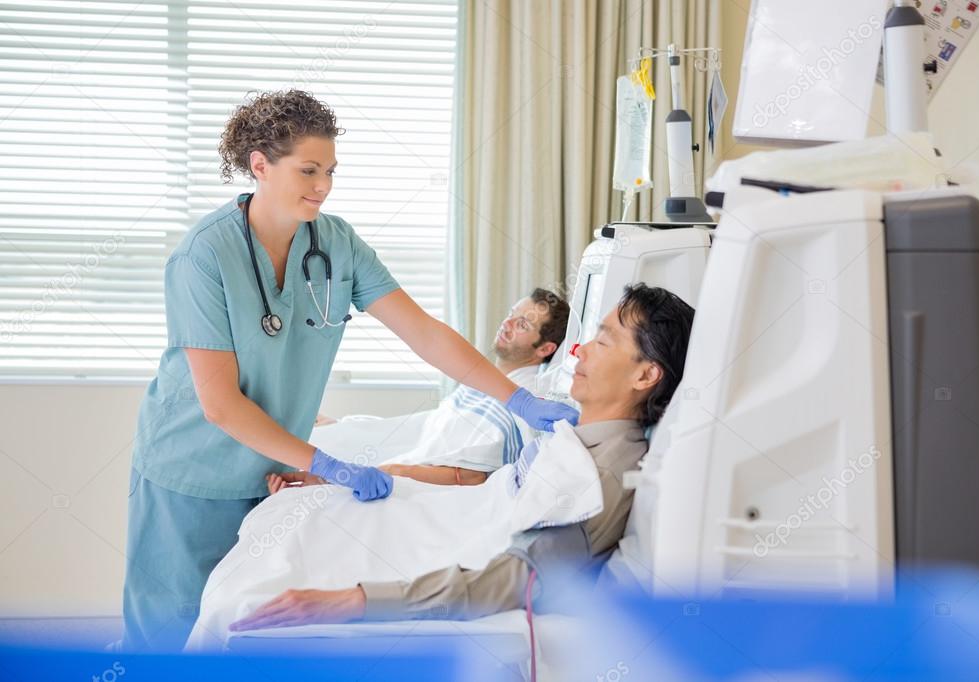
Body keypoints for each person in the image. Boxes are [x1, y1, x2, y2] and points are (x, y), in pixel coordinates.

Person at [120, 90, 577, 652]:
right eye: (308, 170)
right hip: (189, 471)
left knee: (236, 629)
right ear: (259, 165)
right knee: (167, 638)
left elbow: (425, 333)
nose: (323, 186)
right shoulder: (204, 257)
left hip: (268, 463)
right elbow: (219, 404)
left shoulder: (335, 243)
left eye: (331, 171)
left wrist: (517, 399)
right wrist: (325, 463)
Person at [227, 283, 694, 631]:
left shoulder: (601, 477)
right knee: (291, 521)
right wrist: (336, 479)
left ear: (646, 375)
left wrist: (356, 601)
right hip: (441, 519)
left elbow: (515, 580)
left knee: (253, 587)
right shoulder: (574, 434)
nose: (579, 350)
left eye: (604, 341)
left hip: (446, 548)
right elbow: (492, 490)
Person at [279, 288, 571, 489]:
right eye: (511, 313)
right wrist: (348, 426)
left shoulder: (527, 400)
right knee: (313, 430)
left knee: (298, 465)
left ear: (545, 348)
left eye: (522, 324)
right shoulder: (484, 379)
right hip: (408, 444)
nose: (506, 324)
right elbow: (432, 428)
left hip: (414, 466)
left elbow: (472, 474)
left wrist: (392, 471)